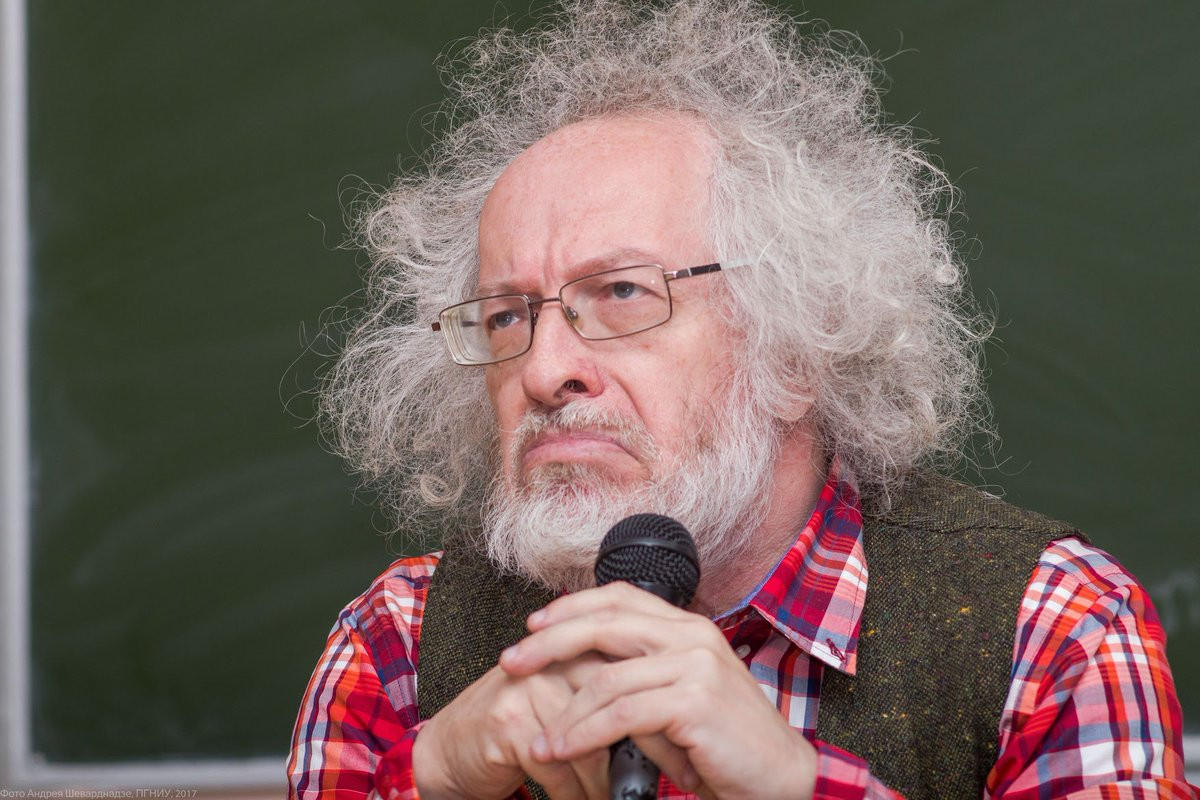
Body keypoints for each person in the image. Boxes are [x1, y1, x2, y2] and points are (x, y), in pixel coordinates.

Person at [287, 1, 1192, 798]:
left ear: (795, 345)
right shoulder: (399, 639)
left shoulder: (1054, 623)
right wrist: (432, 780)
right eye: (506, 316)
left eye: (623, 293)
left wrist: (799, 788)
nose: (544, 368)